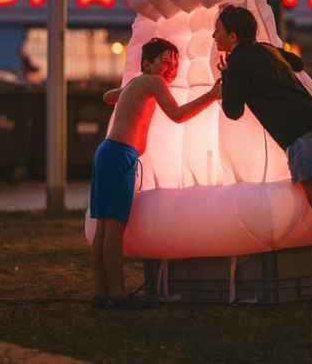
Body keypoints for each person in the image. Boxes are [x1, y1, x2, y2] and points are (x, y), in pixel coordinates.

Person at [212, 4, 312, 311]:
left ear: (232, 36)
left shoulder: (238, 62)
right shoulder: (264, 51)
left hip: (298, 131)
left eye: (217, 30)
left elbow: (232, 111)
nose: (213, 35)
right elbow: (297, 62)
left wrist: (226, 81)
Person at [91, 37, 222, 310]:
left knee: (104, 228)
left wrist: (127, 90)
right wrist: (211, 95)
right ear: (147, 65)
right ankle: (117, 292)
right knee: (114, 228)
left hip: (107, 153)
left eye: (175, 64)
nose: (171, 69)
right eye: (166, 62)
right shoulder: (153, 82)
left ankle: (101, 292)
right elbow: (176, 114)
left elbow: (106, 98)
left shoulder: (139, 83)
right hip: (120, 155)